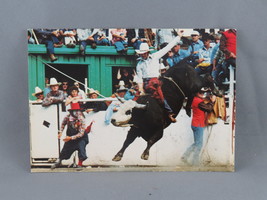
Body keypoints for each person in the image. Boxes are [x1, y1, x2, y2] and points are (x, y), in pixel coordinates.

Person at [135, 31, 183, 123]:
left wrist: (178, 37)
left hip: (155, 81)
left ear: (147, 52)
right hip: (145, 83)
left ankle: (169, 112)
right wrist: (140, 89)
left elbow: (168, 47)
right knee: (136, 98)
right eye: (141, 53)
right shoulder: (139, 64)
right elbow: (139, 78)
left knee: (160, 97)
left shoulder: (155, 56)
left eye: (144, 53)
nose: (142, 55)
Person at [181, 87, 216, 165]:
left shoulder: (196, 100)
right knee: (199, 145)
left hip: (196, 124)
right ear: (197, 93)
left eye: (203, 92)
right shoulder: (199, 101)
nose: (203, 94)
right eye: (201, 92)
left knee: (197, 143)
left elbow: (204, 104)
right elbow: (209, 109)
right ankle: (195, 163)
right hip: (198, 124)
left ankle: (185, 156)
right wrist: (212, 101)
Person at [51, 103, 88, 169]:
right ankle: (59, 161)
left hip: (81, 138)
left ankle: (80, 164)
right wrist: (60, 132)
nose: (76, 113)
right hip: (70, 135)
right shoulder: (68, 117)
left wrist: (70, 138)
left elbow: (81, 133)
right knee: (65, 149)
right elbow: (63, 123)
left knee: (81, 148)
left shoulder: (81, 119)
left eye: (77, 111)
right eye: (74, 111)